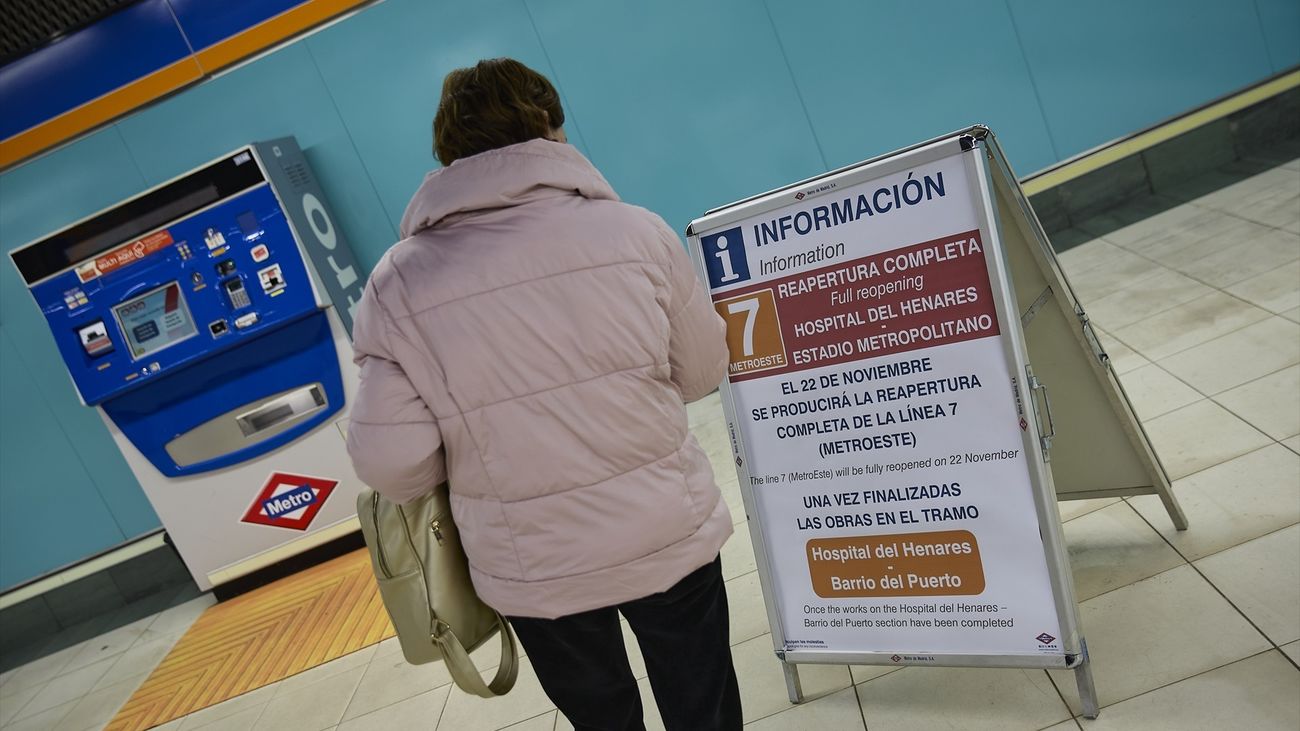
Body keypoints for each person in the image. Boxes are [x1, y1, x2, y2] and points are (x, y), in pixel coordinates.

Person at [346, 58, 742, 730]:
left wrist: (477, 439)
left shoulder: (398, 283)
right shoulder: (637, 234)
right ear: (552, 133)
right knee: (702, 703)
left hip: (532, 565)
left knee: (602, 715)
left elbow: (392, 464)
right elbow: (702, 371)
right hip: (664, 532)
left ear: (447, 153)